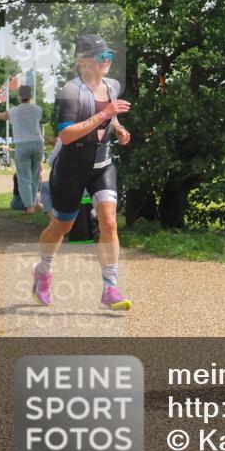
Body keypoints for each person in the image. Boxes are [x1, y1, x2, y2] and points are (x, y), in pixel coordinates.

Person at [34, 34, 132, 310]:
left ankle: (110, 288)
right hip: (71, 167)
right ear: (83, 61)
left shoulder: (111, 86)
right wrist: (104, 115)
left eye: (109, 57)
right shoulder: (71, 91)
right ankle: (43, 270)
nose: (107, 62)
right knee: (62, 225)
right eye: (101, 57)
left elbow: (109, 118)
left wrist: (119, 129)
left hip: (102, 166)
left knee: (110, 222)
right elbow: (65, 135)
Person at [0, 85, 44, 213]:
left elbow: (2, 116)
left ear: (19, 96)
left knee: (23, 177)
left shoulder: (13, 111)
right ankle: (34, 203)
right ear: (31, 96)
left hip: (22, 144)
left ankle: (29, 207)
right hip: (38, 143)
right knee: (35, 176)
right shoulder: (38, 109)